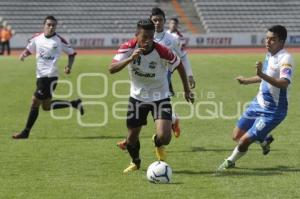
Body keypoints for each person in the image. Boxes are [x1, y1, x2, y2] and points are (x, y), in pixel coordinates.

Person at [109, 19, 194, 173]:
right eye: (144, 37)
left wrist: (186, 89)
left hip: (160, 97)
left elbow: (179, 64)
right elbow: (112, 68)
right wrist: (130, 58)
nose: (147, 41)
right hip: (137, 98)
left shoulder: (161, 50)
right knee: (131, 139)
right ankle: (136, 161)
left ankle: (157, 141)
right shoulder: (128, 48)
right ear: (136, 35)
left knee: (165, 138)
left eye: (150, 37)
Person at [217, 25, 295, 171]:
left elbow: (284, 83)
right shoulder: (269, 55)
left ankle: (229, 162)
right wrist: (247, 80)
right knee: (236, 136)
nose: (268, 41)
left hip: (273, 111)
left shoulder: (286, 58)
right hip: (257, 103)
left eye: (273, 39)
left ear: (282, 41)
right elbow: (265, 78)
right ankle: (264, 139)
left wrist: (261, 75)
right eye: (267, 38)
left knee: (244, 140)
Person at [12, 16, 84, 139]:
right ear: (44, 25)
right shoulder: (37, 38)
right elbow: (30, 49)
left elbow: (72, 54)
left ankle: (26, 132)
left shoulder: (59, 40)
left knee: (35, 102)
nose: (51, 27)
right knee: (46, 106)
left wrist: (69, 66)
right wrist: (24, 54)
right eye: (49, 25)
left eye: (53, 25)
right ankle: (74, 103)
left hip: (50, 77)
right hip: (40, 76)